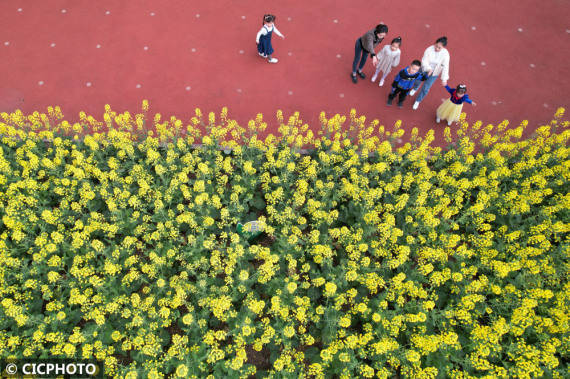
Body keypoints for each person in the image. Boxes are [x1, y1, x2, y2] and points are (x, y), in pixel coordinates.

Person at [410, 36, 450, 110]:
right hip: (424, 68)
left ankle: (418, 100)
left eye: (439, 48)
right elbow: (424, 60)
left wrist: (444, 79)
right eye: (436, 46)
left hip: (434, 73)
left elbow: (445, 66)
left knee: (426, 88)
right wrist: (428, 69)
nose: (436, 48)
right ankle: (415, 88)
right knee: (417, 80)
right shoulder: (429, 49)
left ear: (443, 48)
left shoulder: (446, 54)